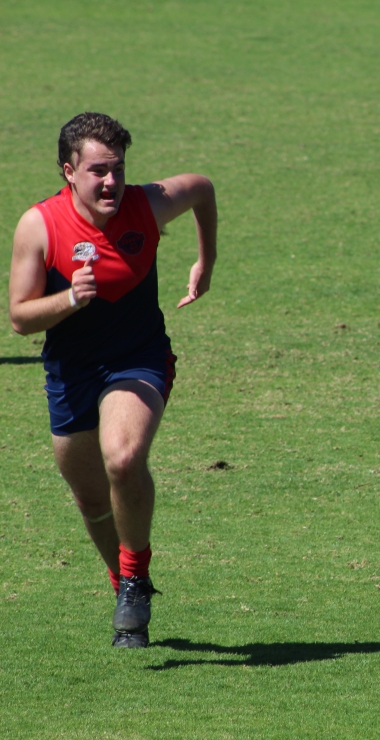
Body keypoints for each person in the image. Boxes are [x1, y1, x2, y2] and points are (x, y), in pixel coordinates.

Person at [8, 112, 218, 648]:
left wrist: (205, 261)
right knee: (90, 499)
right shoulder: (40, 225)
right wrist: (71, 298)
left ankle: (136, 578)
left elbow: (201, 188)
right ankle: (125, 583)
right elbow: (20, 317)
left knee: (123, 458)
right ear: (69, 171)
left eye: (118, 169)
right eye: (98, 171)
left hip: (138, 357)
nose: (111, 182)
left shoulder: (145, 206)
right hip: (70, 372)